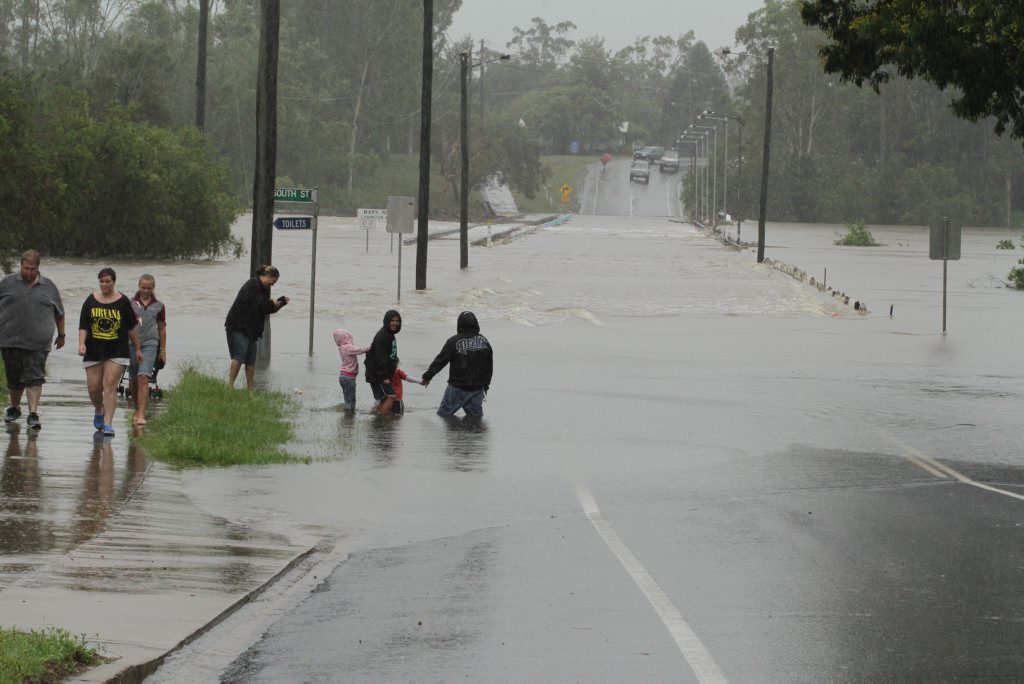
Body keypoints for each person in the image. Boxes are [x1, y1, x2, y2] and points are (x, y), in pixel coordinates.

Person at [0, 250, 66, 430]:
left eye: (32, 269)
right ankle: (14, 407)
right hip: (9, 340)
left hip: (38, 343)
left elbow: (59, 313)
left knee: (35, 378)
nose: (28, 272)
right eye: (25, 268)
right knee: (14, 379)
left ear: (38, 268)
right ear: (20, 265)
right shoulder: (7, 283)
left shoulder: (49, 287)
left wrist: (61, 335)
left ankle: (33, 413)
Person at [78, 267, 142, 437]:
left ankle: (108, 424)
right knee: (93, 388)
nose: (105, 284)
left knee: (109, 385)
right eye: (102, 282)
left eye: (108, 282)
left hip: (117, 349)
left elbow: (132, 328)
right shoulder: (90, 300)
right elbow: (83, 325)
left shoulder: (123, 302)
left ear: (114, 282)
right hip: (93, 349)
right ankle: (99, 409)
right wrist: (81, 344)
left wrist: (137, 348)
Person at [224, 265, 289, 391]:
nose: (273, 284)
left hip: (251, 329)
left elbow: (265, 309)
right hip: (238, 326)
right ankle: (230, 387)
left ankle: (250, 390)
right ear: (268, 275)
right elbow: (260, 304)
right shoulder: (253, 284)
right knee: (238, 357)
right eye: (273, 281)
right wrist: (272, 303)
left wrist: (281, 303)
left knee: (250, 362)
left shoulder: (263, 289)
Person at [421, 311, 493, 418]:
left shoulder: (453, 341)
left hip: (457, 387)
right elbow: (489, 366)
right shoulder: (484, 341)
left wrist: (427, 376)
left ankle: (454, 433)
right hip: (477, 388)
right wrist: (486, 385)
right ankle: (475, 434)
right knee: (475, 419)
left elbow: (440, 361)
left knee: (443, 415)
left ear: (459, 324)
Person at [128, 274, 166, 425]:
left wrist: (163, 351)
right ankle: (137, 408)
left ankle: (142, 413)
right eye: (143, 287)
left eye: (149, 288)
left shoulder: (159, 306)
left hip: (151, 343)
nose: (145, 290)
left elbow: (162, 329)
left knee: (144, 377)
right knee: (134, 379)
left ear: (153, 288)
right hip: (131, 344)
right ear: (139, 286)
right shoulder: (130, 303)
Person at [363, 310, 401, 415]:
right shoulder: (383, 335)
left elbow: (390, 355)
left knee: (383, 398)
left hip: (381, 373)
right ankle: (383, 422)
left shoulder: (390, 334)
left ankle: (379, 422)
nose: (395, 323)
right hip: (378, 374)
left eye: (397, 321)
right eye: (392, 320)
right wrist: (384, 377)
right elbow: (380, 358)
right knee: (391, 396)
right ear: (387, 321)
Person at [332, 328, 370, 411]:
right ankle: (349, 416)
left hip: (343, 376)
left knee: (348, 398)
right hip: (348, 377)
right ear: (346, 337)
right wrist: (370, 347)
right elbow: (359, 350)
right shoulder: (347, 347)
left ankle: (348, 411)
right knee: (351, 399)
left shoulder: (342, 347)